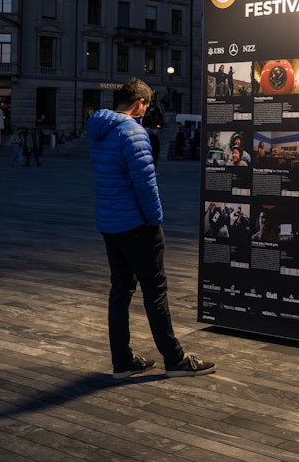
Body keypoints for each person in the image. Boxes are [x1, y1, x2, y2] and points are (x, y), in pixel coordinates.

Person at [87, 78, 215, 379]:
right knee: (155, 290)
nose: (146, 112)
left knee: (120, 291)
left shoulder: (98, 130)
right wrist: (155, 220)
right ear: (139, 104)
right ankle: (175, 359)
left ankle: (122, 362)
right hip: (136, 224)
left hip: (109, 223)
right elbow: (146, 185)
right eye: (146, 106)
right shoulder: (133, 132)